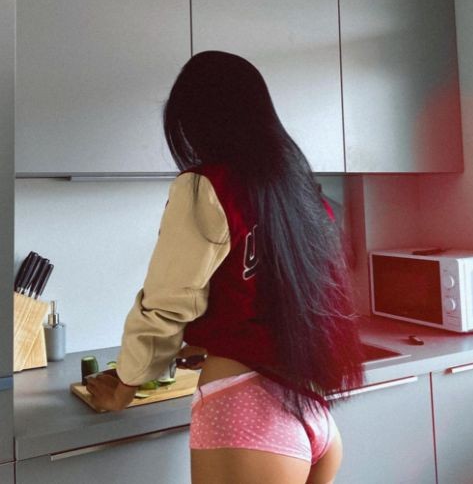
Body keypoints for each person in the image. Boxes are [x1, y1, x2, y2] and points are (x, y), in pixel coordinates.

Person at [86, 50, 365, 484]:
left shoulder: (206, 187)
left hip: (245, 415)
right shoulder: (301, 194)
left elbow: (167, 303)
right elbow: (280, 301)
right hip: (314, 414)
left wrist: (126, 384)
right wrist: (209, 339)